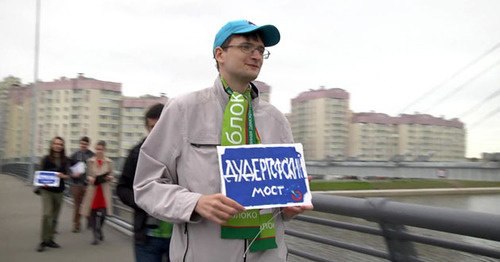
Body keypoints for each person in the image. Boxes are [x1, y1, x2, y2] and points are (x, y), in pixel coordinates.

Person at [133, 20, 313, 261]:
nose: (256, 55)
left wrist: (290, 206)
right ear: (220, 54)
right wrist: (195, 203)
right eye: (247, 47)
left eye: (261, 50)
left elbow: (281, 202)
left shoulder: (276, 120)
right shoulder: (184, 109)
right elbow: (146, 185)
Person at [117, 103, 173, 262]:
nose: (156, 132)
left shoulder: (184, 152)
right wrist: (144, 200)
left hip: (179, 236)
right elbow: (122, 189)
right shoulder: (136, 153)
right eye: (152, 127)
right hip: (147, 236)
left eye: (160, 126)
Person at [36, 136, 70, 252]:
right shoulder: (45, 159)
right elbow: (40, 174)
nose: (58, 146)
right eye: (56, 143)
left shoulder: (65, 160)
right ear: (52, 145)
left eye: (60, 144)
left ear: (62, 146)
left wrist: (62, 176)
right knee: (47, 214)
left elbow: (68, 175)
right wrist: (42, 183)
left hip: (59, 191)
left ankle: (50, 239)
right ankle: (43, 241)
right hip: (47, 191)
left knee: (55, 216)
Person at [80, 140, 114, 245]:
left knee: (104, 213)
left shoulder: (109, 162)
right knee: (93, 214)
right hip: (93, 190)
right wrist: (90, 178)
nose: (99, 151)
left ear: (104, 150)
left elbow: (112, 176)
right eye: (97, 149)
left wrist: (110, 177)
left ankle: (99, 228)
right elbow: (87, 175)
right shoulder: (90, 161)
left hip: (104, 190)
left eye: (101, 149)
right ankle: (95, 236)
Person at [69, 136, 94, 233]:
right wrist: (72, 174)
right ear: (80, 144)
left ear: (88, 145)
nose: (83, 145)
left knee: (88, 205)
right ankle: (76, 225)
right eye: (82, 144)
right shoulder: (74, 155)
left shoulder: (92, 155)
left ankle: (89, 223)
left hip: (88, 184)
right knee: (77, 206)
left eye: (85, 144)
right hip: (76, 184)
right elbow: (68, 168)